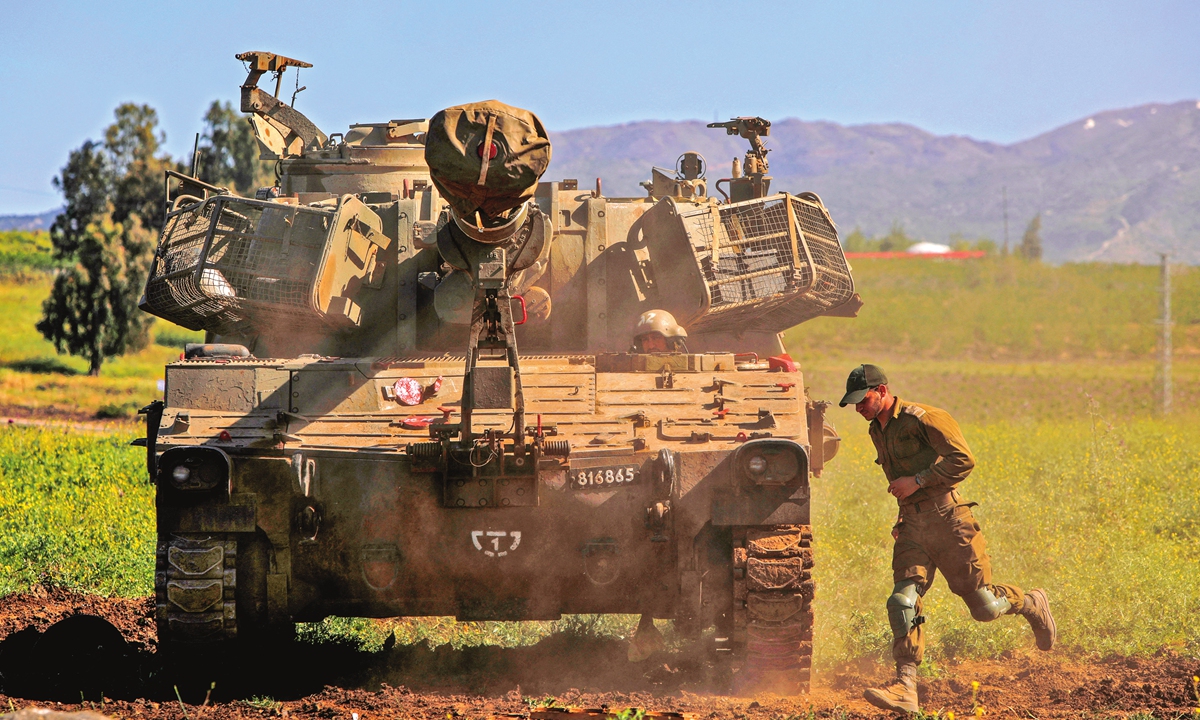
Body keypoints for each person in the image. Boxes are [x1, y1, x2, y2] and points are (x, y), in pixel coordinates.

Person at [839, 364, 1056, 714]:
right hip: (912, 526)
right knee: (902, 601)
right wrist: (902, 514)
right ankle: (905, 687)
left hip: (948, 520)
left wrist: (920, 481)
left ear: (882, 390)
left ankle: (1030, 602)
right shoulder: (875, 431)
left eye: (862, 400)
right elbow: (899, 481)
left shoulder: (922, 418)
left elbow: (963, 459)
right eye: (854, 404)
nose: (858, 408)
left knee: (984, 608)